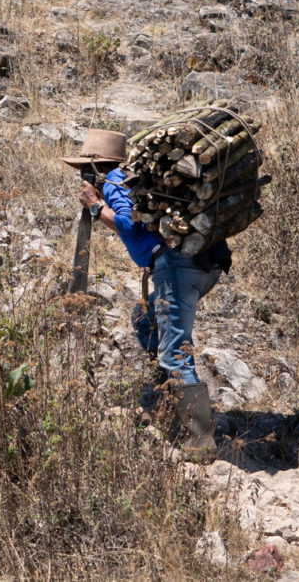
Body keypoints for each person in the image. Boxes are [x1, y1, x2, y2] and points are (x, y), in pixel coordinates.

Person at [61, 128, 231, 454]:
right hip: (202, 265)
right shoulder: (125, 179)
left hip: (177, 268)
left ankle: (200, 442)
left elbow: (126, 224)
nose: (82, 177)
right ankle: (170, 388)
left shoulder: (112, 181)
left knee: (175, 351)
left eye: (85, 170)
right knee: (144, 317)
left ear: (98, 166)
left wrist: (96, 207)